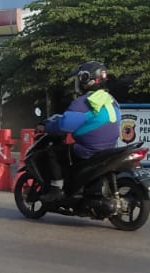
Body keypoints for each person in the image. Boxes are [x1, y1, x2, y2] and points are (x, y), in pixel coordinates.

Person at [37, 61, 122, 202]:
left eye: (79, 78)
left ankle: (57, 188)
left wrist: (46, 127)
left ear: (85, 79)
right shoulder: (111, 100)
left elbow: (64, 126)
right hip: (109, 148)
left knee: (53, 152)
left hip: (88, 149)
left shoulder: (83, 102)